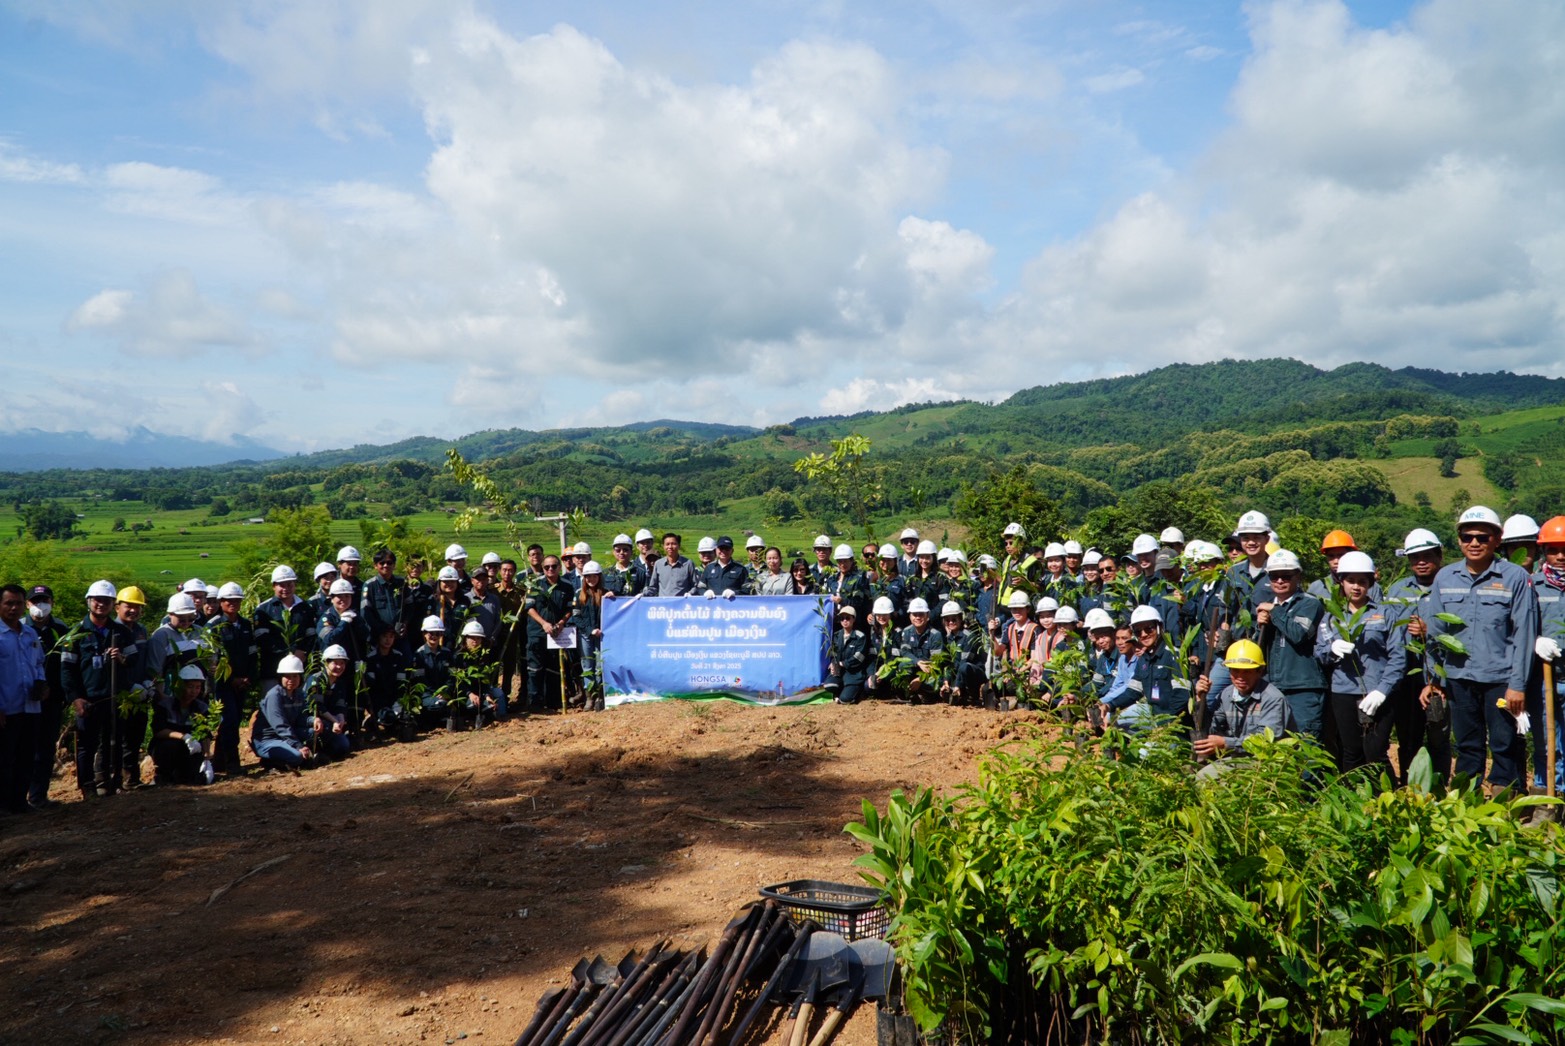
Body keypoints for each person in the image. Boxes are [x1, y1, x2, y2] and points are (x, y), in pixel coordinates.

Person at [1422, 506, 1539, 794]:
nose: (1474, 543)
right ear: (1459, 540)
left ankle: (1503, 804)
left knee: (1504, 744)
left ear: (1497, 540)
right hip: (1459, 678)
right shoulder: (1445, 578)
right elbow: (1435, 634)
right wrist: (1434, 680)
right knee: (1467, 745)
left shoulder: (1514, 577)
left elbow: (1525, 634)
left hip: (1500, 679)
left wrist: (1517, 685)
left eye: (1483, 537)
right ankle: (1467, 801)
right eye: (1467, 537)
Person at [1315, 551, 1405, 775]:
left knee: (1376, 751)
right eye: (1351, 580)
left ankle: (1383, 793)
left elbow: (1398, 656)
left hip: (1377, 691)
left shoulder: (1385, 614)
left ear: (1370, 583)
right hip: (1344, 691)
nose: (1356, 587)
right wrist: (1331, 650)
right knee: (1351, 752)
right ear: (1341, 582)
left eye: (1362, 581)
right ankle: (1353, 794)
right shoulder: (1332, 617)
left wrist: (1383, 690)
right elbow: (1319, 652)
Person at [1385, 528, 1451, 785]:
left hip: (1439, 675)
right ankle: (1409, 786)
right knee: (1408, 736)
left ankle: (1439, 788)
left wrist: (1429, 631)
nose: (1421, 562)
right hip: (1406, 675)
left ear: (1439, 555)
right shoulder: (1398, 590)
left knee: (1438, 736)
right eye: (1415, 557)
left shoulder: (1450, 587)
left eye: (1427, 556)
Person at [1193, 640, 1293, 780]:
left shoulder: (1273, 699)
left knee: (1207, 779)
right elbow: (1212, 729)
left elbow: (1265, 743)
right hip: (1239, 757)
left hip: (1269, 762)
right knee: (1199, 776)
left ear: (1259, 671)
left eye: (1247, 671)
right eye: (1235, 670)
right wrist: (1200, 700)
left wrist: (1225, 743)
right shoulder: (1226, 694)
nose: (1240, 677)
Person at [1255, 550, 1326, 743]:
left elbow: (1298, 634)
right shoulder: (1267, 607)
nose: (1279, 581)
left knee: (1305, 744)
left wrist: (1275, 612)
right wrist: (1259, 626)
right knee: (1274, 744)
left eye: (1286, 576)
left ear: (1298, 576)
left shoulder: (1309, 604)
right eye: (1274, 576)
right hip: (1273, 687)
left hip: (1303, 688)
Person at [0, 584, 46, 814]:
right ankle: (3, 805)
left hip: (30, 706)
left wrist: (41, 683)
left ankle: (19, 802)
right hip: (6, 707)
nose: (14, 608)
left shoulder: (30, 633)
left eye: (18, 603)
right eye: (9, 603)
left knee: (26, 756)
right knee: (4, 758)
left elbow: (38, 663)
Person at [1531, 516, 1565, 806]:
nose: (1561, 556)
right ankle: (1545, 799)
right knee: (1545, 740)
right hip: (1544, 678)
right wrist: (1535, 640)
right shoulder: (1532, 585)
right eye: (1554, 550)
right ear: (1544, 551)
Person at [25, 585, 69, 808]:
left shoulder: (61, 629)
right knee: (23, 748)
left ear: (52, 603)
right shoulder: (20, 628)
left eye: (45, 600)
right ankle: (15, 797)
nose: (40, 605)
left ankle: (38, 796)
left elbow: (67, 664)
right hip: (25, 699)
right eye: (35, 601)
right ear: (27, 604)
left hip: (53, 699)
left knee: (45, 748)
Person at [209, 582, 257, 775]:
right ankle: (232, 763)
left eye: (236, 600)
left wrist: (249, 677)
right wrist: (232, 680)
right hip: (223, 684)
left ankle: (219, 762)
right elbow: (214, 661)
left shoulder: (245, 625)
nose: (233, 603)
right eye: (228, 600)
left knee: (234, 720)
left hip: (242, 683)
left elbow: (252, 653)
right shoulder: (214, 626)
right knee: (228, 720)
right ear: (221, 602)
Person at [253, 565, 317, 693]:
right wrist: (289, 653)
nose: (286, 589)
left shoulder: (305, 608)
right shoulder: (263, 609)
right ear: (273, 586)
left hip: (298, 669)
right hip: (272, 669)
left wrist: (302, 652)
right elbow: (262, 639)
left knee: (298, 702)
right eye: (281, 585)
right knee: (273, 701)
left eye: (289, 584)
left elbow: (311, 635)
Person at [525, 554, 577, 711]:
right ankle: (535, 702)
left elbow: (570, 608)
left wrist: (561, 622)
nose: (550, 569)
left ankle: (553, 702)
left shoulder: (567, 586)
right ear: (543, 568)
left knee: (554, 668)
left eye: (554, 566)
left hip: (557, 633)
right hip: (537, 632)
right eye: (547, 567)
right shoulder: (535, 584)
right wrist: (544, 623)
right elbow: (529, 608)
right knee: (535, 668)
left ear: (559, 567)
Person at [150, 664, 214, 786]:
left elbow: (205, 733)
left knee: (193, 775)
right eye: (190, 687)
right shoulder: (165, 705)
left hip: (189, 750)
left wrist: (206, 758)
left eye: (197, 687)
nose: (194, 691)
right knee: (170, 746)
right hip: (166, 749)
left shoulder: (202, 708)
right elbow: (158, 730)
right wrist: (184, 737)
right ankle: (163, 776)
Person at [252, 655, 315, 770]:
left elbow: (301, 718)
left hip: (288, 735)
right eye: (287, 676)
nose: (291, 680)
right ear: (280, 677)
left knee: (313, 732)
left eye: (295, 676)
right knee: (297, 756)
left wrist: (314, 721)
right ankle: (269, 762)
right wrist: (298, 746)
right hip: (269, 739)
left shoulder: (299, 694)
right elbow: (280, 726)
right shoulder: (274, 696)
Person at [303, 645, 358, 757]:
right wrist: (335, 721)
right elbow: (317, 707)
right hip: (311, 720)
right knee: (325, 729)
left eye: (342, 663)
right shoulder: (316, 680)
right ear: (326, 663)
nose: (339, 667)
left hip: (330, 721)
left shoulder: (340, 683)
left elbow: (340, 704)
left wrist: (341, 719)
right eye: (335, 663)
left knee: (343, 746)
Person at [362, 625, 413, 740]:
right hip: (378, 700)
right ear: (379, 638)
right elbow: (371, 687)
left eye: (391, 637)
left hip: (394, 698)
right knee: (387, 716)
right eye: (385, 636)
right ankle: (372, 721)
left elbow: (401, 683)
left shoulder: (398, 656)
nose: (388, 640)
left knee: (406, 718)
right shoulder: (370, 658)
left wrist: (398, 703)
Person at [451, 620, 504, 726]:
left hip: (479, 694)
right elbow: (456, 681)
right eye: (472, 638)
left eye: (478, 638)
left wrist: (487, 696)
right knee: (472, 706)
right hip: (464, 695)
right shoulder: (458, 657)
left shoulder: (482, 656)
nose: (475, 641)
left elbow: (484, 680)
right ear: (465, 638)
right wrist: (469, 694)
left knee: (493, 706)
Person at [574, 561, 607, 711]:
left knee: (600, 666)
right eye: (588, 576)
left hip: (602, 636)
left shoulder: (606, 594)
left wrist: (613, 597)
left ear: (599, 577)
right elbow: (576, 617)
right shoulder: (579, 595)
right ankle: (589, 697)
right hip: (586, 636)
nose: (591, 579)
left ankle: (600, 695)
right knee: (587, 665)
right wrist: (589, 630)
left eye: (594, 576)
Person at [410, 615, 454, 725]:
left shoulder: (447, 654)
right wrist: (434, 695)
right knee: (438, 705)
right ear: (424, 634)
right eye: (431, 633)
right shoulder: (418, 655)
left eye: (437, 633)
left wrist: (445, 692)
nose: (434, 636)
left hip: (444, 695)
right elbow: (419, 681)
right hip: (426, 696)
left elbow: (451, 676)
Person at [898, 598, 943, 704]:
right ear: (910, 616)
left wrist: (920, 679)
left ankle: (925, 694)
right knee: (902, 666)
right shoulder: (906, 632)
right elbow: (905, 652)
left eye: (921, 614)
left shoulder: (935, 635)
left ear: (927, 616)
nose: (918, 617)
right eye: (914, 614)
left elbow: (936, 662)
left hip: (928, 672)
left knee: (935, 680)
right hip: (914, 668)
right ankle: (909, 692)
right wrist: (917, 662)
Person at [318, 577, 371, 665]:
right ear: (332, 598)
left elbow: (365, 636)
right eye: (339, 596)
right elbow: (329, 639)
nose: (344, 599)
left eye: (347, 596)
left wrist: (356, 621)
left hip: (353, 662)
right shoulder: (326, 618)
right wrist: (344, 622)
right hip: (334, 664)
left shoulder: (355, 615)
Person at [824, 605, 870, 705]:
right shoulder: (836, 636)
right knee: (829, 685)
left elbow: (859, 658)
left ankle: (857, 690)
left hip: (854, 674)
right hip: (840, 672)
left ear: (854, 619)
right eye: (842, 618)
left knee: (845, 700)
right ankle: (841, 690)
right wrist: (833, 663)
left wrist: (842, 664)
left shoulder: (860, 636)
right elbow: (833, 654)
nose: (845, 620)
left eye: (848, 618)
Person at [825, 544, 873, 623]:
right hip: (835, 621)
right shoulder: (832, 579)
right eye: (840, 561)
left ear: (851, 561)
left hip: (853, 621)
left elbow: (859, 602)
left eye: (845, 561)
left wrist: (842, 601)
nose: (843, 564)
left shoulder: (859, 578)